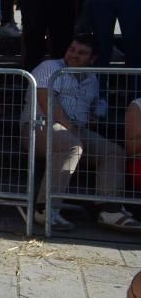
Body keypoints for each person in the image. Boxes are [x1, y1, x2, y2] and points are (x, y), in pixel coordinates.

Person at [27, 34, 140, 233]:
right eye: (72, 49)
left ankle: (109, 209)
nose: (74, 55)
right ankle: (45, 209)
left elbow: (94, 104)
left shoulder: (91, 77)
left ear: (93, 58)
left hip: (76, 129)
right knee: (72, 145)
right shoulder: (50, 68)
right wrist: (72, 129)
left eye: (82, 53)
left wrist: (96, 113)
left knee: (113, 151)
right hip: (40, 126)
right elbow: (47, 102)